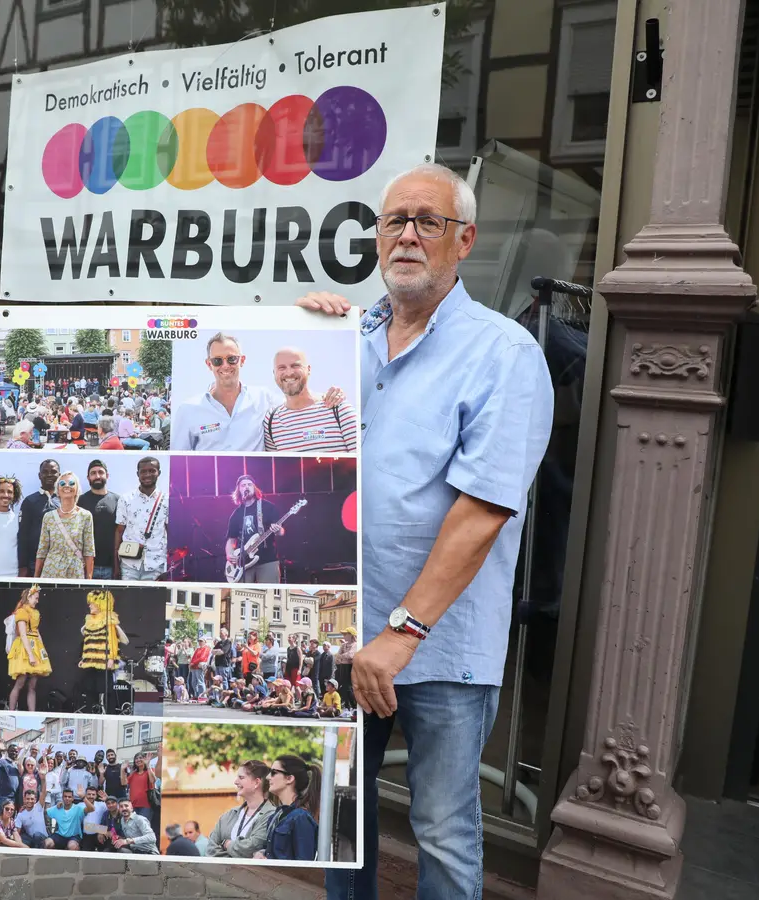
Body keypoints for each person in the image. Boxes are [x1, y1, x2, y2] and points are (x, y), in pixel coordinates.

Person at [298, 162, 554, 900]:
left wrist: (400, 633)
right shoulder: (352, 338)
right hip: (342, 629)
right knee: (339, 821)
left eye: (428, 222)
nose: (407, 235)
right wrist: (296, 335)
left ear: (463, 240)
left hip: (439, 647)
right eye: (394, 221)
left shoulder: (504, 353)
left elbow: (482, 514)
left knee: (442, 831)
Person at [171, 333, 302, 450]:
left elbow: (297, 403)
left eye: (231, 359)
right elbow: (177, 461)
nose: (225, 365)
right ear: (209, 364)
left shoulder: (263, 398)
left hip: (252, 477)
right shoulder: (188, 409)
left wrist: (322, 397)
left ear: (242, 360)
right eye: (217, 361)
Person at [263, 347, 360, 452]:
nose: (289, 372)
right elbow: (276, 466)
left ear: (308, 369)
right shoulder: (272, 421)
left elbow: (362, 460)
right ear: (274, 373)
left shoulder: (338, 408)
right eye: (281, 368)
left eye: (295, 366)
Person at [254, 755, 322, 862]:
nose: (267, 777)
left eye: (274, 772)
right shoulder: (275, 816)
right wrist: (261, 854)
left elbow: (304, 867)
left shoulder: (301, 817)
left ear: (289, 778)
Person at [225, 475, 288, 584]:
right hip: (243, 562)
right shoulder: (236, 514)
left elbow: (281, 531)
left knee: (269, 592)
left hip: (267, 560)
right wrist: (230, 555)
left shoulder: (267, 507)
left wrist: (278, 530)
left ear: (254, 488)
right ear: (239, 490)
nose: (246, 487)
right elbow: (231, 540)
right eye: (243, 485)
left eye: (249, 484)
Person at [206, 761, 276, 858]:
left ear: (256, 782)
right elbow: (210, 849)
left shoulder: (271, 815)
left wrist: (227, 844)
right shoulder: (229, 815)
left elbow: (252, 847)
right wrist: (235, 861)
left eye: (241, 778)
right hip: (224, 873)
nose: (235, 782)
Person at [115, 457, 169, 581]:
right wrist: (116, 565)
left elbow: (170, 533)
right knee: (128, 599)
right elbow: (119, 531)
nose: (147, 475)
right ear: (137, 474)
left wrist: (168, 567)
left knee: (150, 600)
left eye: (152, 471)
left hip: (156, 565)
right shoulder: (126, 499)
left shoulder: (167, 500)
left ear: (158, 473)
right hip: (129, 564)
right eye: (143, 471)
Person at [35, 471, 95, 579]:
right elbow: (42, 551)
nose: (67, 486)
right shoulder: (48, 517)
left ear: (77, 489)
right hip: (50, 573)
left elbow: (89, 551)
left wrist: (89, 580)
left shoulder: (85, 516)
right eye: (62, 484)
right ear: (58, 489)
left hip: (75, 573)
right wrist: (35, 579)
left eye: (71, 483)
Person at [78, 590, 127, 713]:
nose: (89, 605)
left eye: (92, 603)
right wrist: (84, 659)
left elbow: (113, 641)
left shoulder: (108, 619)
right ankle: (92, 711)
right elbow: (88, 641)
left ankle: (108, 712)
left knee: (105, 690)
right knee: (89, 688)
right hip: (90, 662)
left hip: (104, 661)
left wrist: (111, 658)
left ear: (100, 604)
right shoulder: (89, 620)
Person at [5, 585, 51, 711]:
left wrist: (42, 651)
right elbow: (23, 634)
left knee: (32, 685)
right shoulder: (22, 612)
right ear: (29, 597)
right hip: (24, 648)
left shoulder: (36, 613)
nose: (37, 601)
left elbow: (37, 632)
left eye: (37, 598)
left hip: (36, 645)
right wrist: (30, 654)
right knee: (20, 683)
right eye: (35, 598)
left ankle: (32, 712)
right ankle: (11, 711)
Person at [77, 460, 121, 579]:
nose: (97, 476)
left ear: (107, 476)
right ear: (88, 478)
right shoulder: (80, 501)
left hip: (112, 568)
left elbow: (121, 532)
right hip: (86, 567)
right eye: (93, 473)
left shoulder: (118, 500)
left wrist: (118, 566)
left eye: (101, 472)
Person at [18, 460, 60, 576]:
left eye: (53, 472)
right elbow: (23, 535)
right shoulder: (30, 501)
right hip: (34, 563)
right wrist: (23, 566)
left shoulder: (66, 500)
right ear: (39, 475)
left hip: (60, 564)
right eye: (45, 472)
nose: (49, 475)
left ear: (59, 475)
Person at [127, 752, 159, 834]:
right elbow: (124, 783)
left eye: (140, 758)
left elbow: (153, 780)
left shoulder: (149, 771)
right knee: (135, 828)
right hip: (134, 805)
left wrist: (148, 765)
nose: (138, 760)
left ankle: (146, 846)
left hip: (146, 806)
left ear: (144, 759)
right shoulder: (133, 773)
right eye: (136, 758)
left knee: (144, 828)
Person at [78, 786, 109, 852]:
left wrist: (107, 800)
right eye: (89, 794)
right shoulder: (80, 805)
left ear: (96, 796)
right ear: (85, 795)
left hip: (100, 834)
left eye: (93, 794)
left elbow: (117, 809)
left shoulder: (101, 804)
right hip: (87, 835)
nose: (91, 796)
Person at [334, 628, 358, 710]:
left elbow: (351, 655)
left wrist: (341, 656)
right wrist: (342, 657)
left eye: (346, 634)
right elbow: (337, 656)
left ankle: (354, 706)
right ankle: (347, 706)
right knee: (343, 687)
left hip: (350, 667)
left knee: (348, 687)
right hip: (342, 667)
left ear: (351, 635)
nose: (344, 636)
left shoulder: (355, 644)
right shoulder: (343, 645)